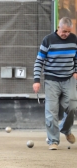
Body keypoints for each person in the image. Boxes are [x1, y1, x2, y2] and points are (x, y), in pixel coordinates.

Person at [33, 17, 77, 150]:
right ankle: (53, 140)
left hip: (68, 78)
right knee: (51, 111)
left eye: (69, 32)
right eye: (64, 31)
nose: (66, 34)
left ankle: (65, 130)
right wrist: (36, 80)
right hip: (51, 79)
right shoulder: (48, 40)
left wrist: (76, 71)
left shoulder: (74, 39)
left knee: (72, 105)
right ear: (59, 28)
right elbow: (39, 61)